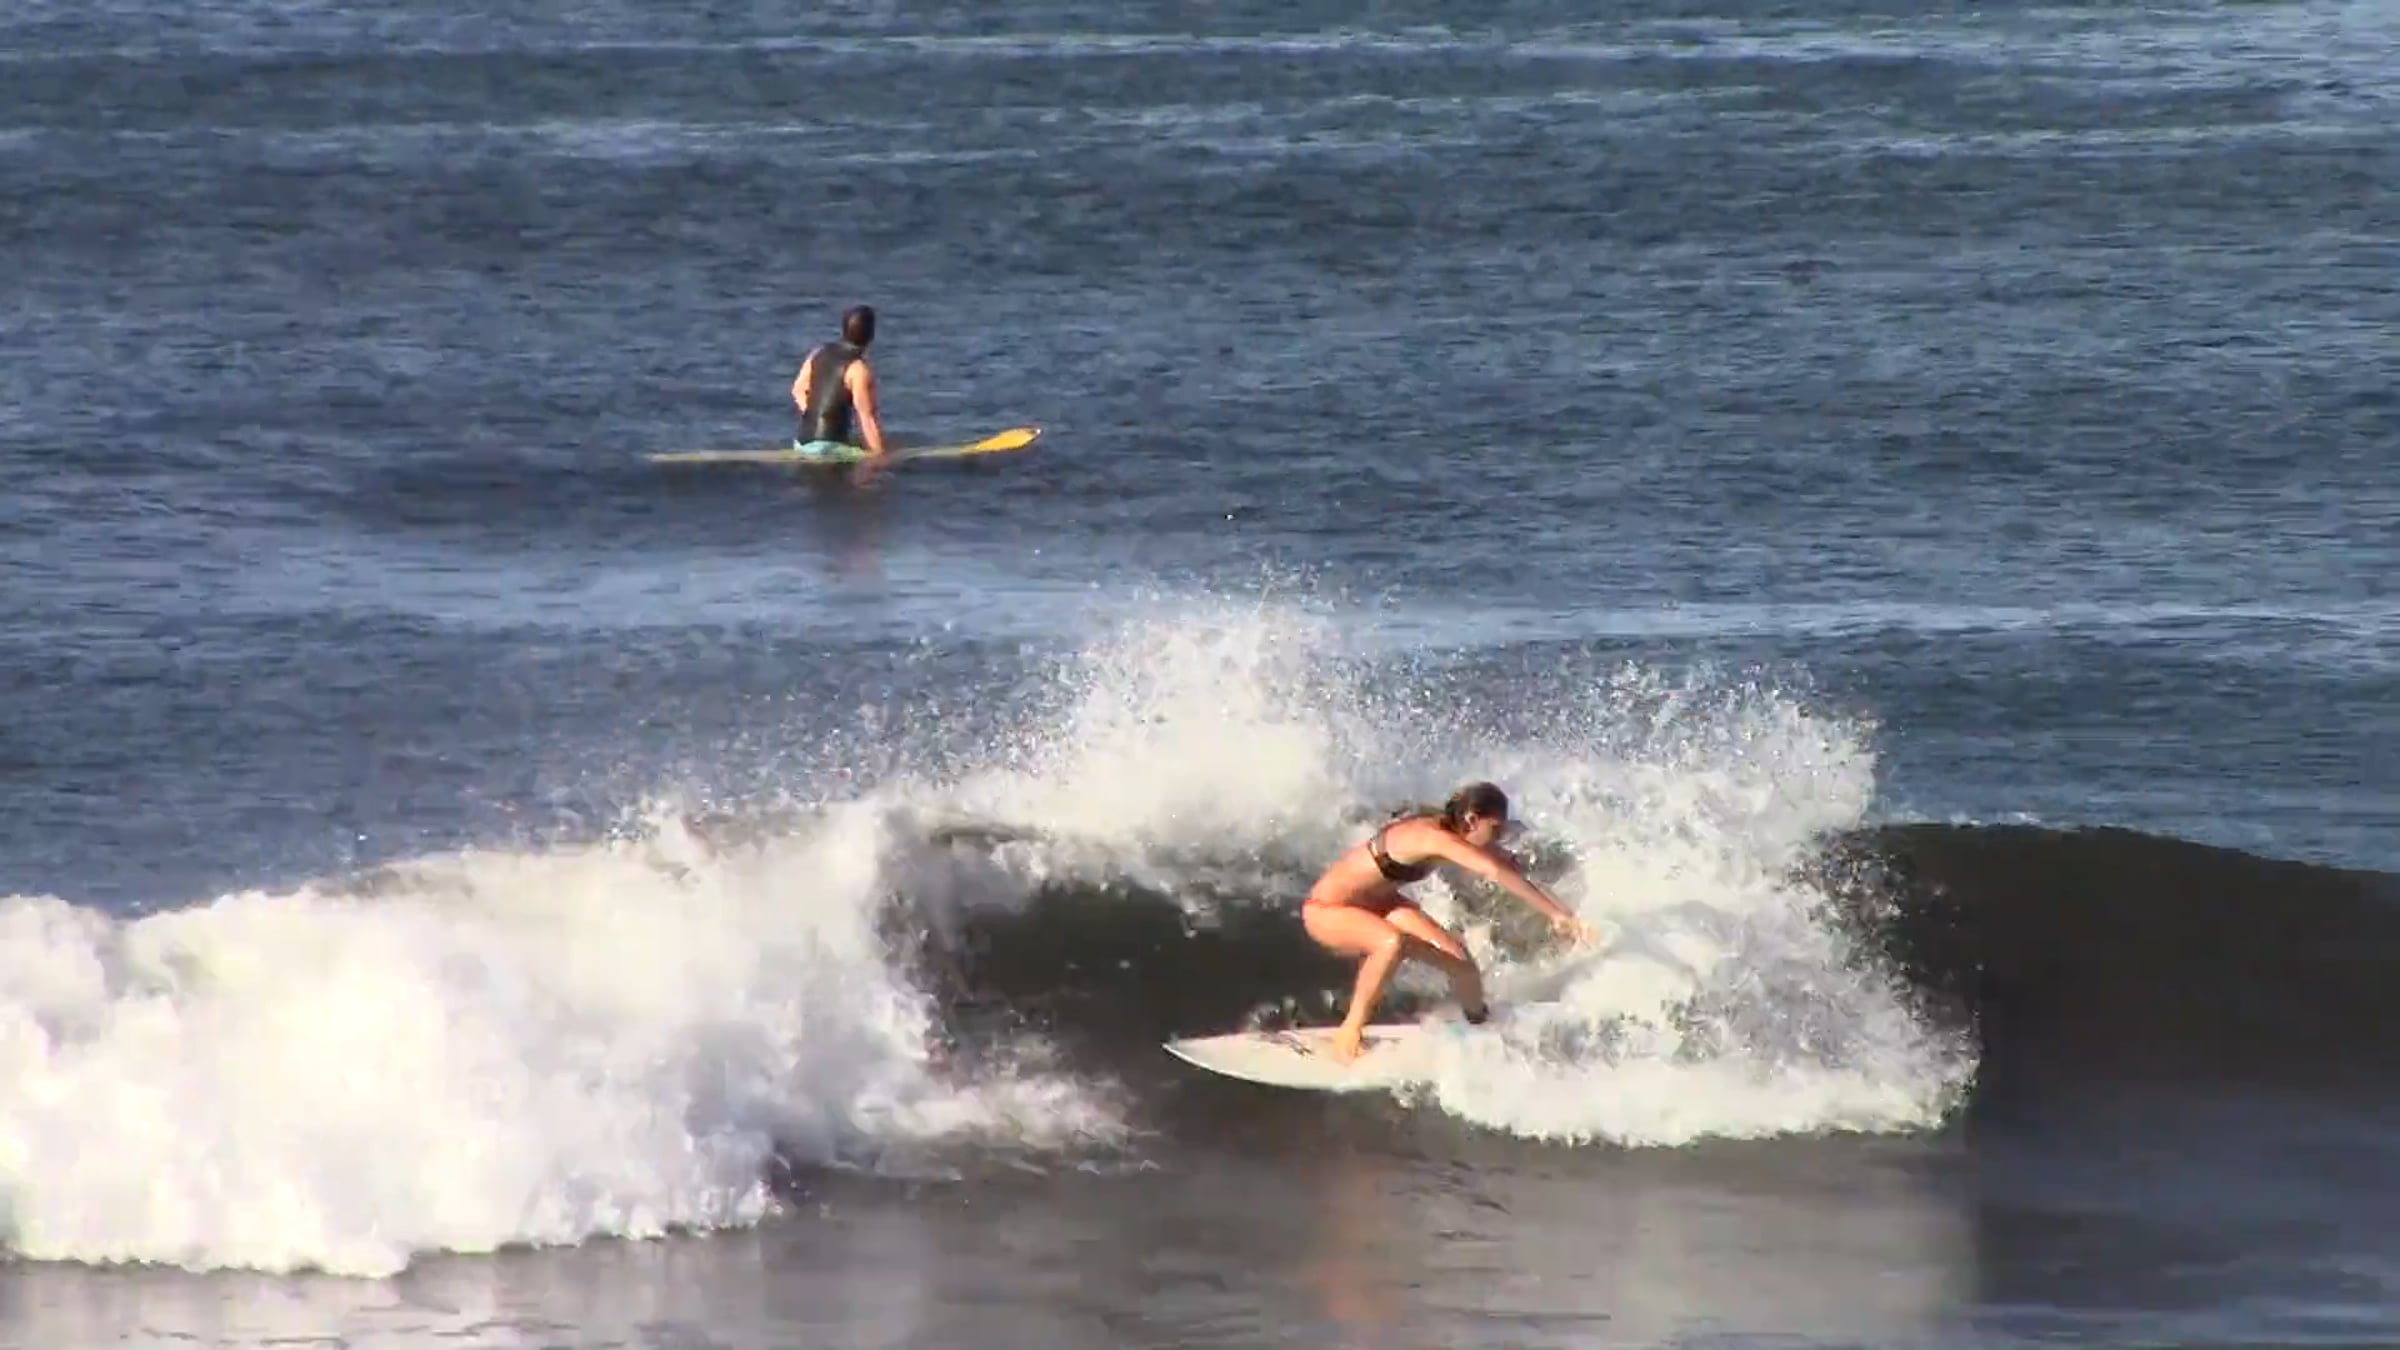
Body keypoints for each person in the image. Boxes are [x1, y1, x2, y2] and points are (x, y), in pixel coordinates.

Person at [1301, 781, 1595, 1062]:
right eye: (1494, 829)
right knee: (1391, 943)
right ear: (1471, 820)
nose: (1498, 837)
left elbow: (1505, 868)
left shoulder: (1457, 832)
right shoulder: (1435, 837)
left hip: (1381, 904)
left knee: (1462, 965)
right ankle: (1349, 1031)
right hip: (1328, 909)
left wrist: (1566, 916)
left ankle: (1479, 1024)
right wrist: (1554, 914)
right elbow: (1494, 872)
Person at [789, 305, 887, 462]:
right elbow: (867, 418)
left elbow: (798, 390)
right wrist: (880, 455)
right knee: (878, 457)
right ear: (871, 335)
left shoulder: (818, 352)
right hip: (829, 449)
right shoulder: (858, 369)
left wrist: (814, 415)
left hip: (801, 443)